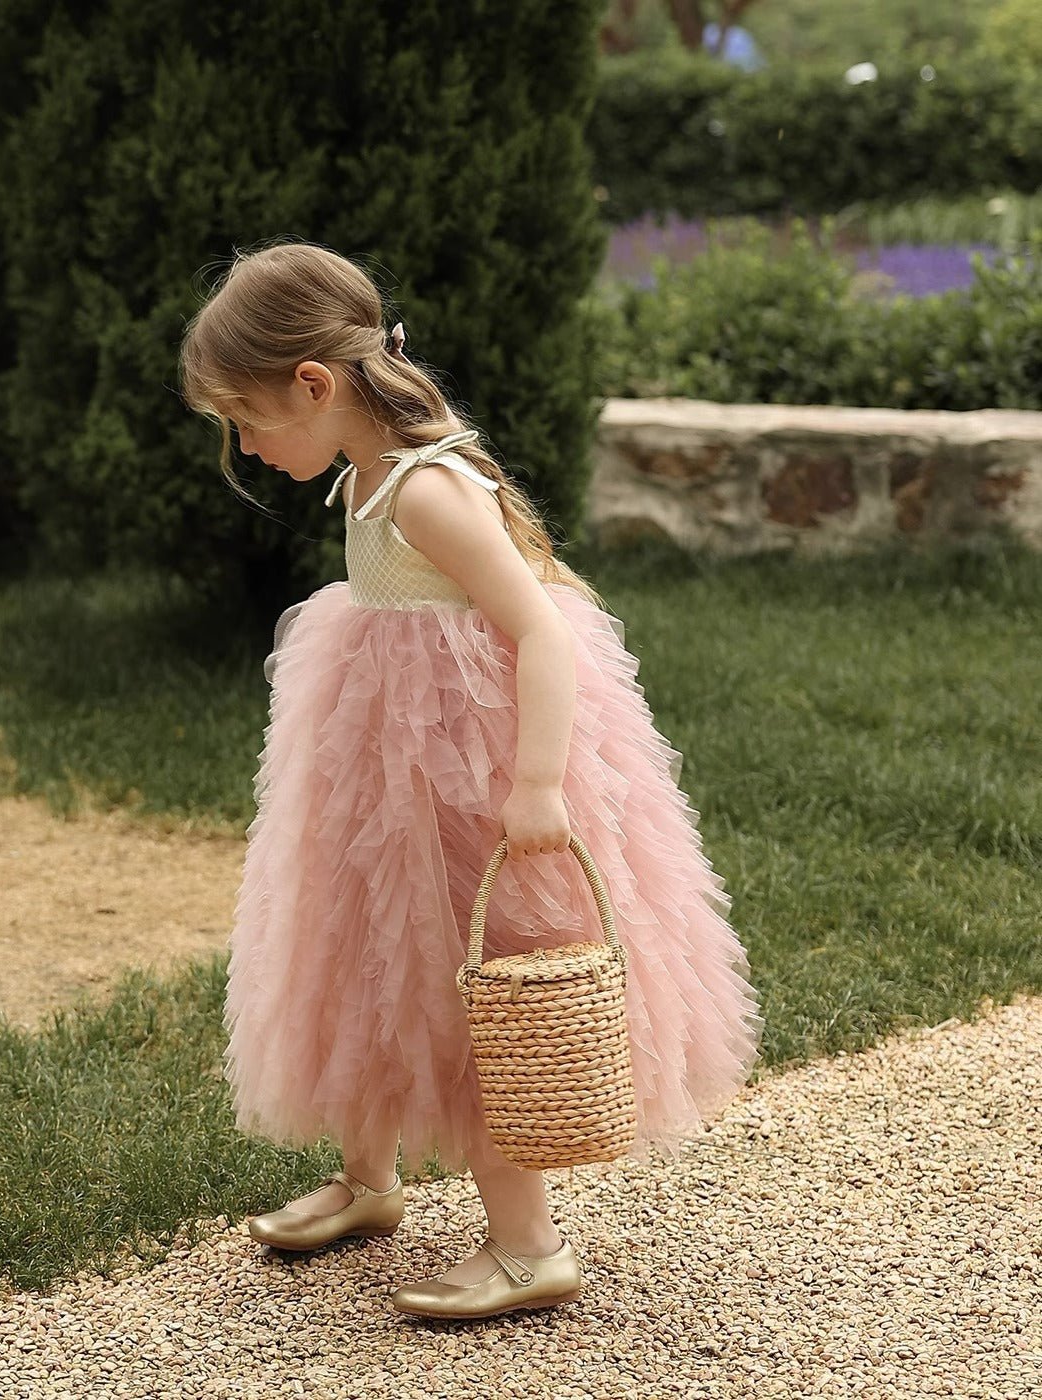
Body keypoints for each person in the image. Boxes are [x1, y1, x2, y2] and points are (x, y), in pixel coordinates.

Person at [178, 240, 764, 1320]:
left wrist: (535, 786)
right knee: (366, 940)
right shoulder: (368, 472)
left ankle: (528, 1244)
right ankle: (369, 1179)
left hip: (462, 769)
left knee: (468, 973)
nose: (246, 447)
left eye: (247, 420)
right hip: (380, 760)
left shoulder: (426, 492)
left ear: (313, 385)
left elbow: (540, 630)